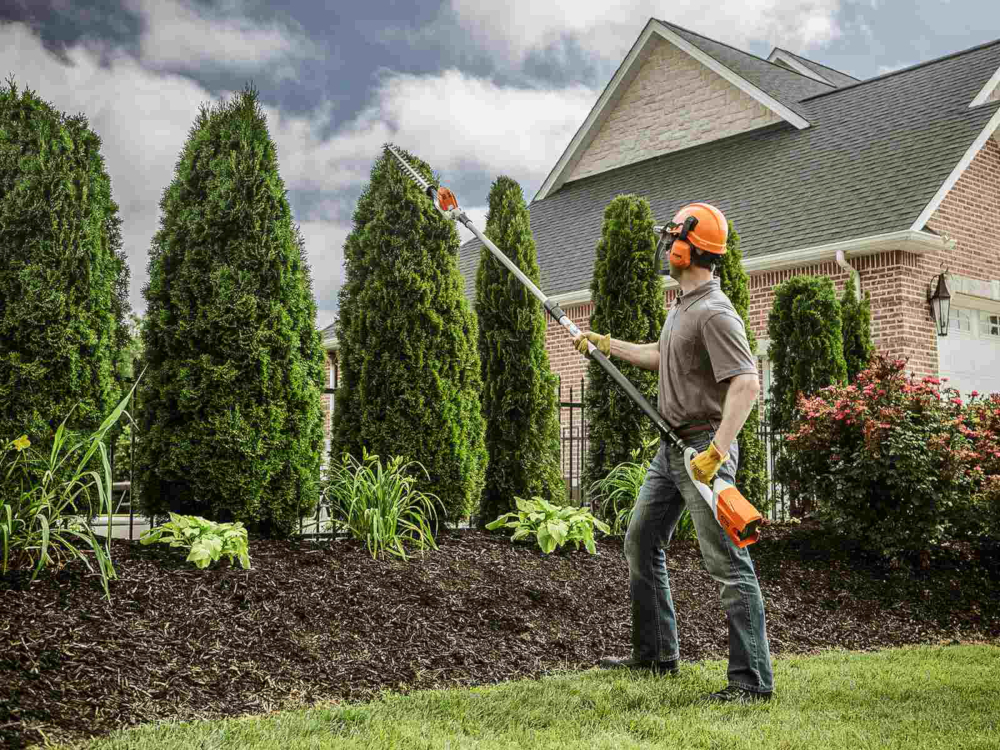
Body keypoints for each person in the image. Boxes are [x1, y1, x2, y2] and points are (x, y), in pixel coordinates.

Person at [573, 202, 773, 703]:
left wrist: (717, 453)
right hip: (672, 449)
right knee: (641, 538)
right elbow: (662, 356)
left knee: (728, 563)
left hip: (703, 447)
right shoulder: (684, 305)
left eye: (672, 240)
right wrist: (604, 344)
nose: (667, 248)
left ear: (689, 247)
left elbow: (746, 383)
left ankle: (751, 682)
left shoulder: (715, 312)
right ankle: (657, 654)